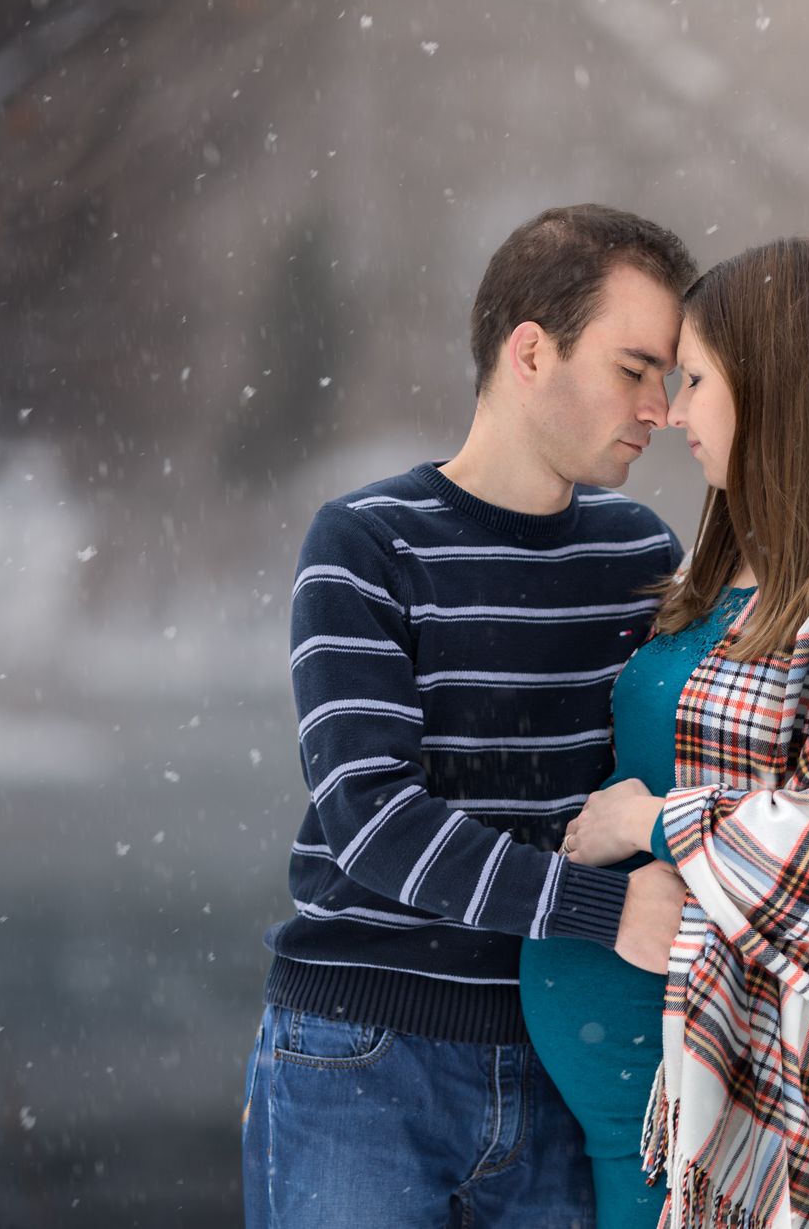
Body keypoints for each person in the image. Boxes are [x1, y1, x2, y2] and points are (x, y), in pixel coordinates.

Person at [243, 204, 703, 1229]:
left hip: (573, 1059)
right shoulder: (366, 543)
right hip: (362, 1055)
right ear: (530, 351)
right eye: (634, 369)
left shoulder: (640, 560)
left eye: (671, 377)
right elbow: (369, 819)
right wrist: (602, 911)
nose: (660, 407)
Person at [525, 238, 809, 1229]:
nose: (671, 411)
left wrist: (652, 821)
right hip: (607, 1113)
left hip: (751, 1112)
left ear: (776, 388)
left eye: (695, 380)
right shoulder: (707, 579)